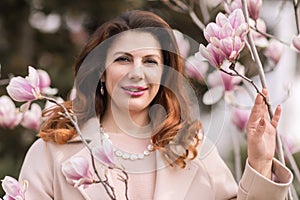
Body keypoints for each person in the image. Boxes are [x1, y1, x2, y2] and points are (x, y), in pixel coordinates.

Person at [19, 10, 292, 200]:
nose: (137, 73)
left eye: (150, 61)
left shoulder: (192, 148)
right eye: (123, 59)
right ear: (101, 71)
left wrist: (259, 162)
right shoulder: (52, 150)